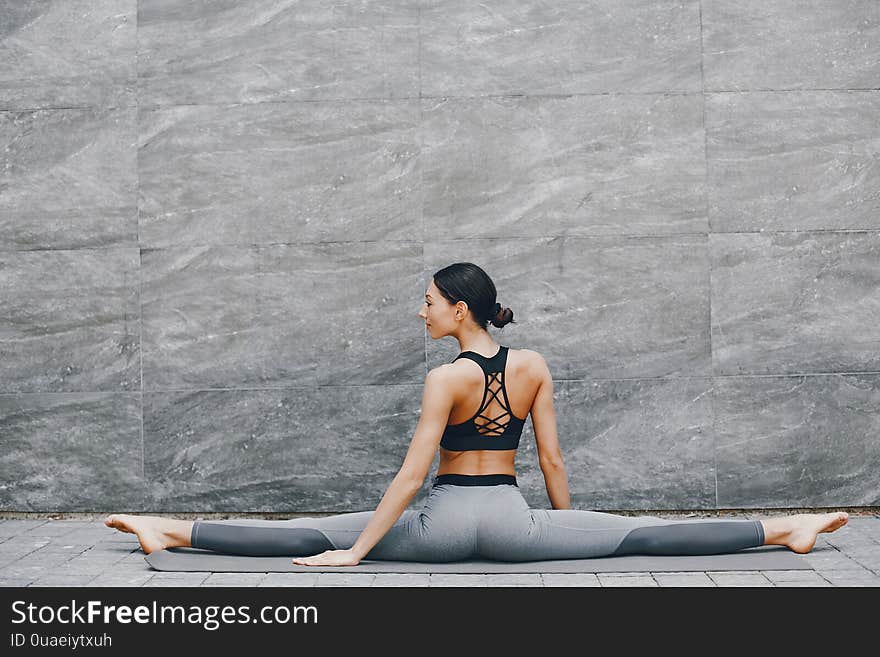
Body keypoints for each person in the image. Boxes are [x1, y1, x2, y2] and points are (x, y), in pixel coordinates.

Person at [105, 262, 849, 566]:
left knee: (310, 533)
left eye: (428, 300)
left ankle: (170, 528)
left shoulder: (446, 378)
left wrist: (356, 553)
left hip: (444, 523)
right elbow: (553, 462)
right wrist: (564, 529)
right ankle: (786, 527)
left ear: (459, 308)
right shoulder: (531, 365)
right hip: (517, 522)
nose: (421, 309)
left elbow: (410, 474)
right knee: (640, 536)